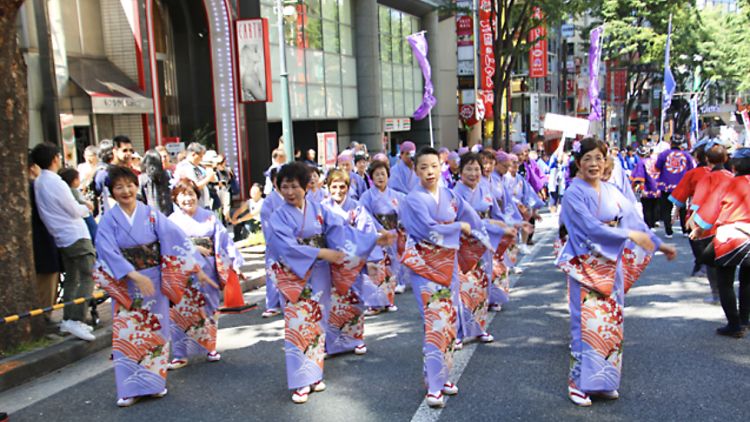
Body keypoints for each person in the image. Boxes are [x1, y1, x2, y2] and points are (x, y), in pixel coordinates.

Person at [557, 138, 676, 407]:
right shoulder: (573, 193)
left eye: (599, 158)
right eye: (587, 159)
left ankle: (603, 380)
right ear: (578, 163)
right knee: (585, 326)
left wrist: (660, 244)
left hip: (612, 266)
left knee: (610, 324)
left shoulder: (612, 192)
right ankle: (578, 382)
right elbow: (589, 228)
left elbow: (637, 223)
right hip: (585, 266)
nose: (594, 164)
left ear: (606, 161)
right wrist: (626, 233)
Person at [92, 165, 213, 407]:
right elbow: (105, 250)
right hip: (126, 283)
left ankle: (154, 383)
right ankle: (128, 388)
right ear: (111, 192)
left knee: (156, 331)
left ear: (137, 187)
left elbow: (175, 238)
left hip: (155, 281)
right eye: (119, 187)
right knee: (128, 333)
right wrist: (133, 275)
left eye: (130, 185)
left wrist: (195, 262)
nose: (126, 191)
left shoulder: (150, 214)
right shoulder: (108, 220)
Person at [265, 162, 386, 404]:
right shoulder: (278, 217)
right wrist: (322, 253)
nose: (289, 192)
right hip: (295, 276)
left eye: (294, 186)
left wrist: (374, 239)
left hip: (319, 275)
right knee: (299, 325)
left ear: (306, 187)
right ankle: (300, 381)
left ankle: (314, 372)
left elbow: (342, 231)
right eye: (284, 187)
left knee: (318, 322)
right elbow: (284, 248)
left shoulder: (319, 210)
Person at [399, 147, 487, 408]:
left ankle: (442, 376)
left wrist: (486, 232)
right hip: (426, 266)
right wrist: (458, 227)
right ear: (415, 170)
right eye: (423, 167)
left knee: (448, 320)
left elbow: (469, 215)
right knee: (435, 321)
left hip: (448, 265)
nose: (429, 172)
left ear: (441, 167)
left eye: (434, 166)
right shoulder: (413, 199)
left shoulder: (448, 194)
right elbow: (428, 229)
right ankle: (434, 386)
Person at [168, 178, 241, 368]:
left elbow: (224, 241)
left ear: (197, 196)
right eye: (182, 195)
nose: (187, 199)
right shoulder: (171, 221)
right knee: (181, 310)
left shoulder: (209, 216)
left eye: (191, 194)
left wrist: (234, 263)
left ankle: (210, 346)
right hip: (183, 271)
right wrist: (192, 247)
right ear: (175, 199)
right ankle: (179, 353)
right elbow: (167, 246)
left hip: (208, 268)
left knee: (208, 308)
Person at [31, 142, 96, 342]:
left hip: (61, 236)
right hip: (74, 234)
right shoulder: (55, 182)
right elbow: (74, 209)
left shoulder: (40, 182)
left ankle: (70, 319)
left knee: (72, 278)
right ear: (54, 159)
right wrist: (87, 207)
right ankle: (75, 318)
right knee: (88, 276)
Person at [321, 169, 390, 355]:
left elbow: (366, 233)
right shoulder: (321, 207)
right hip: (331, 263)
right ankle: (332, 343)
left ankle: (356, 339)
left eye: (342, 186)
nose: (338, 190)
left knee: (354, 299)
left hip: (354, 262)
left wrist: (370, 260)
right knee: (331, 303)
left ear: (348, 187)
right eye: (334, 186)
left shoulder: (356, 207)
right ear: (327, 188)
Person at [690, 148, 750, 337]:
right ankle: (745, 320)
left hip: (730, 236)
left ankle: (734, 325)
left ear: (734, 165)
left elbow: (712, 208)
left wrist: (698, 228)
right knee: (747, 281)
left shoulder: (730, 183)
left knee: (725, 281)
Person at [452, 153, 508, 346]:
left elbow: (496, 213)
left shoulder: (485, 188)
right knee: (463, 289)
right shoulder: (454, 193)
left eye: (476, 169)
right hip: (464, 244)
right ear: (460, 172)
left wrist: (506, 226)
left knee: (482, 286)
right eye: (468, 169)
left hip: (484, 242)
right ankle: (458, 332)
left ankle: (478, 328)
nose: (473, 173)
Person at [359, 160, 406, 309]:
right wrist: (380, 229)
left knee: (392, 268)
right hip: (377, 236)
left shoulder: (396, 195)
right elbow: (365, 215)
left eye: (383, 174)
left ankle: (389, 301)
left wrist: (399, 228)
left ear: (388, 176)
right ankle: (377, 303)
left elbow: (404, 214)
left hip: (393, 234)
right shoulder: (367, 196)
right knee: (378, 267)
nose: (380, 177)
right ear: (371, 177)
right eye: (376, 174)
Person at [28, 157, 61, 310]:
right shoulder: (37, 186)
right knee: (47, 280)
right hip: (43, 241)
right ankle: (44, 316)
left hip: (40, 241)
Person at [655, 137, 695, 238]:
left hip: (666, 185)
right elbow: (691, 170)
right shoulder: (686, 155)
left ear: (671, 143)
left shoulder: (664, 154)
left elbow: (657, 166)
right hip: (681, 186)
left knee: (666, 209)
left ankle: (668, 231)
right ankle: (685, 230)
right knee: (682, 208)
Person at [259, 167, 285, 318]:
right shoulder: (269, 201)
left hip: (294, 241)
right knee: (273, 272)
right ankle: (273, 303)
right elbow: (267, 224)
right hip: (275, 242)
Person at [59, 168, 97, 241]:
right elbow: (79, 201)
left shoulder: (69, 190)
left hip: (82, 215)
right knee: (93, 232)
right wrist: (87, 204)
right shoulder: (73, 191)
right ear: (74, 181)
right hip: (84, 215)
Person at [173, 143, 216, 208]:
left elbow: (212, 179)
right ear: (193, 154)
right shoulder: (184, 166)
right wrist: (208, 177)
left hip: (203, 203)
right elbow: (195, 186)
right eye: (200, 156)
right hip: (193, 205)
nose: (201, 159)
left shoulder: (196, 167)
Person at [631, 146, 661, 229]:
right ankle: (655, 221)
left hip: (647, 188)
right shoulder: (656, 161)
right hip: (657, 187)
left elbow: (639, 177)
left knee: (647, 208)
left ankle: (649, 225)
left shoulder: (641, 163)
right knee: (655, 205)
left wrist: (641, 189)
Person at [138, 149, 174, 216]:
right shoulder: (167, 174)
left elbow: (140, 198)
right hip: (169, 213)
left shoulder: (142, 178)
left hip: (151, 214)